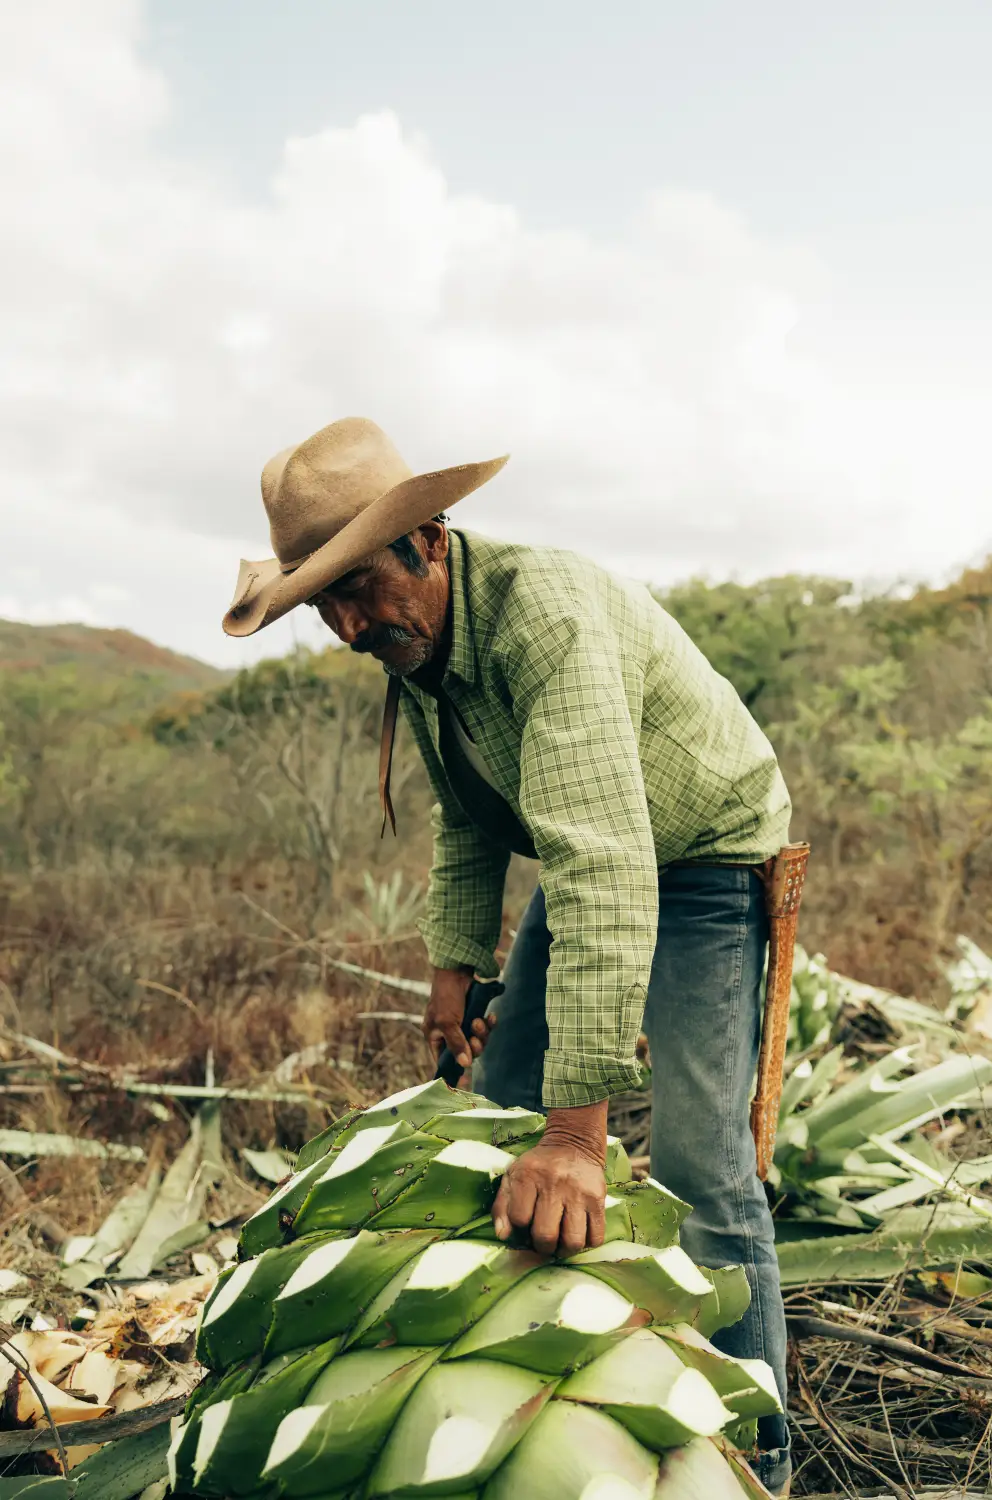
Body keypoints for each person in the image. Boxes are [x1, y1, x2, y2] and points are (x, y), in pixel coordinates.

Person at [223, 416, 794, 1496]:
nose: (348, 629)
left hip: (705, 858)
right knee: (499, 1097)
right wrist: (452, 972)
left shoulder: (546, 621)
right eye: (325, 605)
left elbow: (604, 871)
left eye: (359, 592)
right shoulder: (424, 642)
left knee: (703, 1165)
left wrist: (580, 1140)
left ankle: (759, 1451)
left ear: (429, 541)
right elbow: (471, 819)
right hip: (598, 845)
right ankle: (544, 1352)